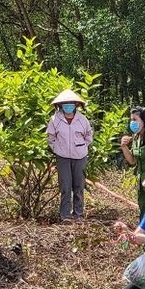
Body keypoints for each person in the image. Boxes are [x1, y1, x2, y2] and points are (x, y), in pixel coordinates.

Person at [46, 89, 93, 221]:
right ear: (60, 105)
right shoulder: (55, 119)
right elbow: (51, 138)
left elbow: (88, 137)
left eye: (71, 103)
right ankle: (65, 215)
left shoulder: (82, 120)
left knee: (79, 186)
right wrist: (58, 149)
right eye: (65, 103)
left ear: (76, 105)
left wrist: (82, 147)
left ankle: (78, 215)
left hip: (80, 157)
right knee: (65, 186)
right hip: (62, 157)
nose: (68, 106)